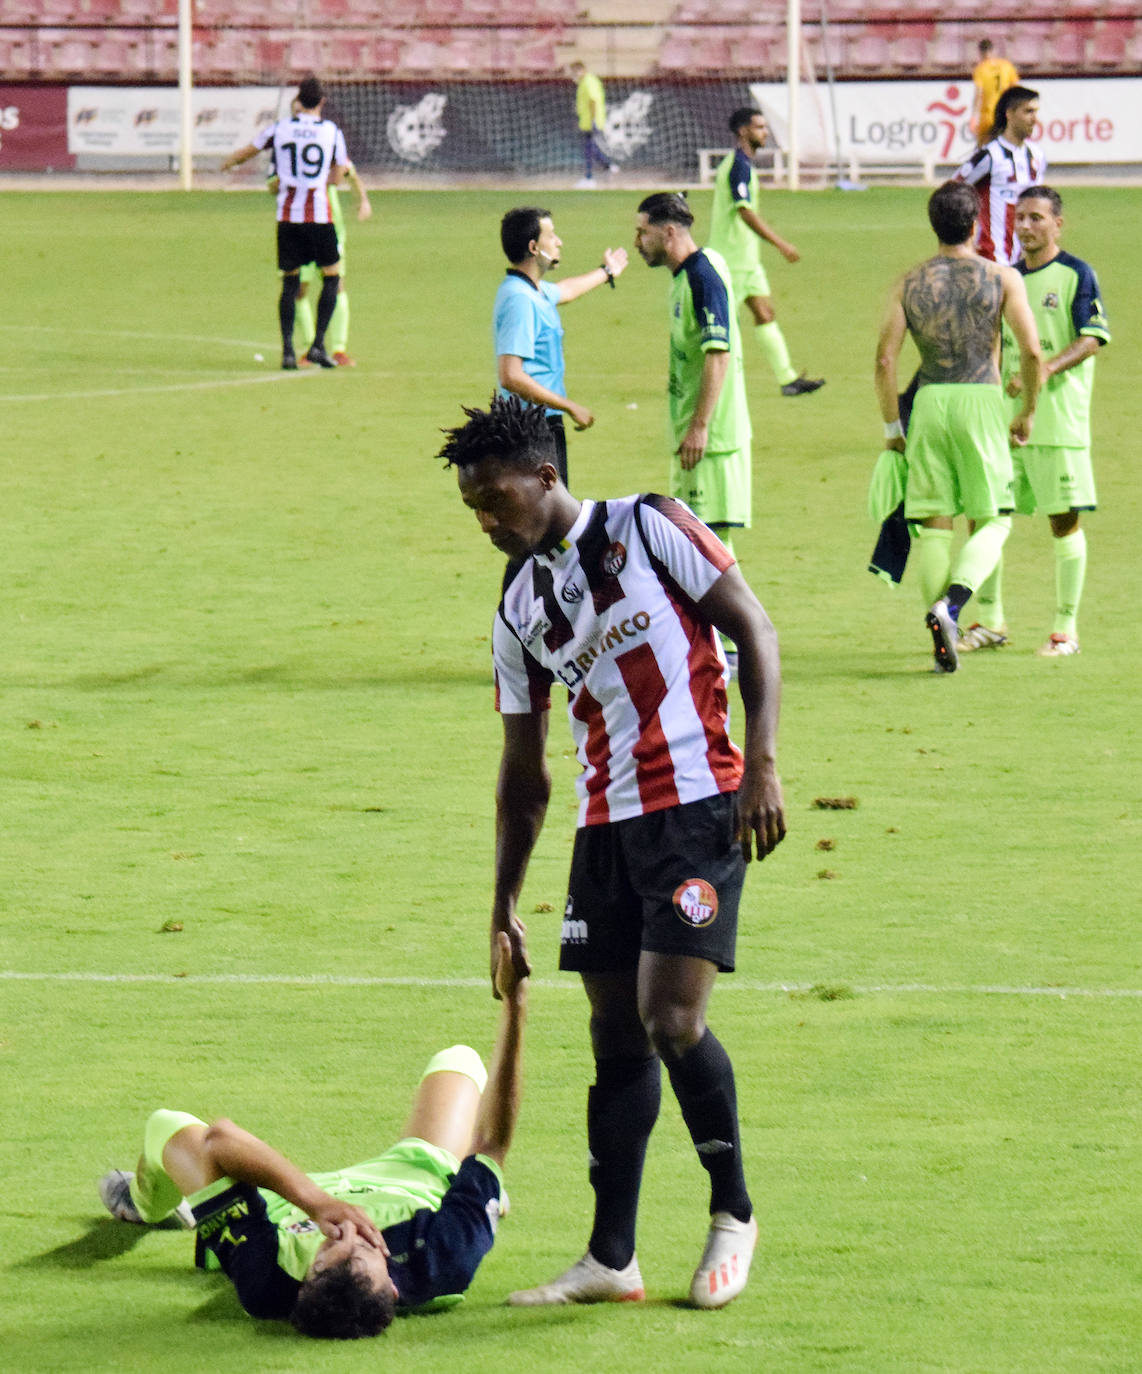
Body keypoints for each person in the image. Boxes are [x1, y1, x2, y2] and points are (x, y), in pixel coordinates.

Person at [439, 393, 785, 1310]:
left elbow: (755, 627)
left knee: (672, 1020)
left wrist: (763, 764)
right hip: (605, 825)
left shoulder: (650, 524)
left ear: (546, 476)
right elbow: (523, 769)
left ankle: (733, 1215)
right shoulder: (518, 607)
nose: (486, 520)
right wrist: (503, 898)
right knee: (615, 1038)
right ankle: (611, 1258)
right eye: (472, 506)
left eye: (496, 499)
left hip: (700, 806)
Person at [97, 934, 528, 1340]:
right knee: (459, 1060)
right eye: (361, 1249)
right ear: (394, 1288)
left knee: (166, 1125)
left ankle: (143, 1202)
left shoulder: (271, 1283)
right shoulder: (444, 1259)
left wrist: (316, 1203)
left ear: (306, 1281)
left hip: (284, 1200)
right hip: (410, 1180)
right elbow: (491, 1141)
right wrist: (515, 1001)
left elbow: (220, 1140)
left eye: (325, 1252)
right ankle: (478, 1196)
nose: (346, 1233)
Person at [874, 181, 1041, 673]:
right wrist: (1028, 411)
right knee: (995, 517)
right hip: (980, 400)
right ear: (977, 225)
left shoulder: (910, 282)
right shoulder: (1002, 277)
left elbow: (885, 359)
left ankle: (938, 637)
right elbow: (1031, 351)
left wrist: (891, 427)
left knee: (934, 525)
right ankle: (950, 608)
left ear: (934, 225)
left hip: (928, 402)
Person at [985, 186, 1108, 658]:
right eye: (1020, 219)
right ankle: (991, 620)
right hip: (1007, 423)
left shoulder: (1077, 274)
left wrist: (1044, 369)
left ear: (1058, 224)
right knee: (990, 518)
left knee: (1063, 523)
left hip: (1059, 422)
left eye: (1037, 218)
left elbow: (1093, 337)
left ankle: (1065, 629)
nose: (1027, 227)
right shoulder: (1006, 278)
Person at [635, 191, 752, 670]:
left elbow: (717, 354)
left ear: (668, 232)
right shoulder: (687, 276)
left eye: (642, 231)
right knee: (695, 542)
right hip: (696, 434)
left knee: (704, 544)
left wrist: (700, 426)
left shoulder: (702, 277)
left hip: (712, 440)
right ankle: (717, 644)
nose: (637, 241)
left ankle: (730, 646)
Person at [222, 75, 350, 371]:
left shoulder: (281, 128)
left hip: (288, 218)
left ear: (297, 100)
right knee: (332, 277)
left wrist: (228, 163)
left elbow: (251, 150)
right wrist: (324, 182)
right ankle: (319, 344)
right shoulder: (331, 131)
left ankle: (289, 352)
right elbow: (339, 172)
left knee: (290, 283)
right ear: (321, 101)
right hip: (319, 216)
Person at [494, 206, 628, 486]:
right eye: (551, 236)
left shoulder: (533, 291)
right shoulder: (521, 300)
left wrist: (607, 271)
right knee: (544, 522)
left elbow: (566, 290)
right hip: (530, 428)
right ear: (533, 247)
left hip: (539, 422)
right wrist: (569, 406)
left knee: (550, 520)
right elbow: (511, 374)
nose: (559, 242)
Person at [708, 108, 825, 398]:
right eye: (759, 127)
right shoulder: (738, 166)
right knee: (721, 327)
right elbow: (745, 212)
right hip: (731, 260)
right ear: (743, 131)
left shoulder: (743, 164)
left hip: (747, 261)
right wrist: (780, 243)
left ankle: (787, 380)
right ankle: (707, 379)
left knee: (764, 312)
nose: (765, 132)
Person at [288, 158, 371, 368]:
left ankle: (339, 349)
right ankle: (310, 349)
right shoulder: (295, 154)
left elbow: (351, 174)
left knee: (336, 285)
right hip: (301, 226)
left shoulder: (331, 148)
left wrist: (362, 199)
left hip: (331, 229)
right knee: (299, 289)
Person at [954, 85, 1045, 267]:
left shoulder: (1036, 155)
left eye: (1036, 112)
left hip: (1026, 260)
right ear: (1009, 113)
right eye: (1028, 112)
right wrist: (964, 238)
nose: (1034, 119)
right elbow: (951, 192)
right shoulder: (989, 156)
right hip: (991, 259)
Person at [570, 61, 617, 187]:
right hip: (587, 121)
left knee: (589, 149)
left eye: (576, 71)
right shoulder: (584, 82)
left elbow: (593, 100)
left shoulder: (588, 81)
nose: (574, 75)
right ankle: (608, 166)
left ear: (583, 70)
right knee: (590, 148)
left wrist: (593, 119)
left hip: (591, 121)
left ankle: (590, 177)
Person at [970, 39, 1019, 148]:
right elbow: (1016, 91)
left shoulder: (980, 69)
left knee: (982, 148)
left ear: (980, 53)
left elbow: (978, 94)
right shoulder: (1007, 66)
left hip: (988, 116)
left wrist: (973, 117)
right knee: (1007, 146)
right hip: (1004, 115)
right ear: (993, 51)